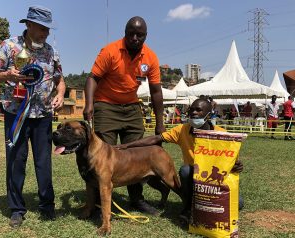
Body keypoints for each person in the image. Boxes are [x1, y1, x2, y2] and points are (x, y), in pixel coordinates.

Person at [0, 5, 65, 228]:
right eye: (42, 28)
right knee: (16, 162)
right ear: (28, 25)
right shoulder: (9, 46)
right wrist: (8, 74)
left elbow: (60, 80)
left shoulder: (51, 51)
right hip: (16, 114)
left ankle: (47, 206)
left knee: (43, 162)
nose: (45, 33)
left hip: (43, 116)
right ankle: (17, 209)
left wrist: (60, 95)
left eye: (48, 30)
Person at [83, 16, 166, 215]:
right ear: (125, 32)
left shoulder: (151, 57)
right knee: (101, 156)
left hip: (131, 107)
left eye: (140, 35)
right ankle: (96, 203)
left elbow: (156, 91)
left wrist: (160, 123)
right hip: (106, 106)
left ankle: (136, 200)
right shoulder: (110, 51)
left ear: (146, 35)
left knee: (136, 155)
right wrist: (89, 104)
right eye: (131, 34)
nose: (135, 38)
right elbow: (92, 78)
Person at [115, 98, 244, 223]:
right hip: (193, 177)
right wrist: (126, 146)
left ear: (209, 115)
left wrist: (236, 166)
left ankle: (201, 203)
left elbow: (231, 161)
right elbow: (156, 139)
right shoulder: (183, 129)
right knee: (185, 170)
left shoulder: (222, 134)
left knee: (238, 203)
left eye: (198, 110)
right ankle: (188, 208)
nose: (193, 112)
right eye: (191, 110)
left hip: (213, 182)